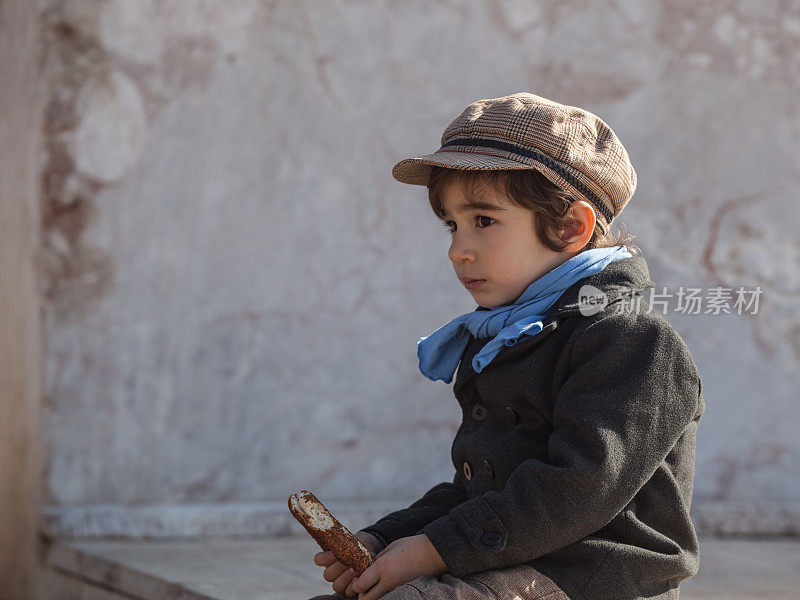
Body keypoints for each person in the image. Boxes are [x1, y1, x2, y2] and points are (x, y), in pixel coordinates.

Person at [309, 92, 705, 600]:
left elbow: (576, 488)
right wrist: (390, 537)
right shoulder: (508, 339)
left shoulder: (633, 342)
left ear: (569, 227)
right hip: (509, 562)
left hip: (591, 580)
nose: (457, 250)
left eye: (484, 221)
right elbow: (480, 491)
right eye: (451, 224)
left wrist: (434, 550)